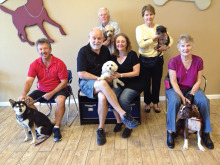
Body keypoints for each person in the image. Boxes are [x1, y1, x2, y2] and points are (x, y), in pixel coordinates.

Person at [77, 28, 139, 145]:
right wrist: (100, 78)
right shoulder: (83, 51)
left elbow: (109, 67)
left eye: (99, 38)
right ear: (89, 38)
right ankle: (123, 114)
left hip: (102, 83)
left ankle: (100, 129)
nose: (96, 41)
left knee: (103, 97)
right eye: (94, 38)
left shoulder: (105, 50)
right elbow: (81, 73)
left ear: (103, 39)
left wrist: (109, 76)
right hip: (87, 82)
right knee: (102, 83)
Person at [166, 34, 214, 149]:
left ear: (191, 46)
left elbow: (198, 81)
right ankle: (171, 132)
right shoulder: (173, 61)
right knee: (174, 102)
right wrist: (183, 98)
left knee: (204, 101)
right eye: (182, 46)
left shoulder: (198, 60)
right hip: (176, 89)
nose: (185, 48)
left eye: (188, 45)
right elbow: (173, 82)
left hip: (193, 88)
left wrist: (192, 94)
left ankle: (206, 133)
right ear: (178, 47)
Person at [18, 38, 69, 142]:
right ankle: (41, 123)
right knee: (26, 102)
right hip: (42, 89)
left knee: (61, 100)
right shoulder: (34, 64)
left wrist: (52, 93)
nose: (43, 51)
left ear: (50, 49)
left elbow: (64, 82)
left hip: (58, 89)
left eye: (45, 48)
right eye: (40, 49)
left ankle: (56, 127)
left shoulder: (59, 63)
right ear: (38, 51)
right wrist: (23, 94)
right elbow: (29, 81)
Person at [136, 4, 173, 113]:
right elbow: (141, 44)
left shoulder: (159, 27)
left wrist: (165, 47)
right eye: (146, 15)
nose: (149, 17)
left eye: (151, 14)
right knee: (146, 83)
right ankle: (147, 103)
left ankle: (155, 103)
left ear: (154, 15)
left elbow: (170, 39)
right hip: (144, 60)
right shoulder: (140, 29)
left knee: (157, 82)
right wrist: (155, 37)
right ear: (143, 16)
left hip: (157, 59)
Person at [110, 33, 144, 138]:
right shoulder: (112, 56)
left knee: (123, 100)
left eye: (123, 41)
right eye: (118, 41)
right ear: (115, 44)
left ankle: (128, 126)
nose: (120, 43)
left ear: (127, 43)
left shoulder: (132, 54)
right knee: (111, 97)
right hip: (119, 83)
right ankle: (119, 121)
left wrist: (120, 75)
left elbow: (136, 72)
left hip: (134, 83)